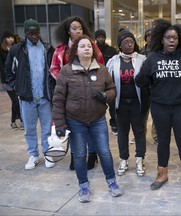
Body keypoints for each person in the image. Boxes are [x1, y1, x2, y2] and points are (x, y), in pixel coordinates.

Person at [52, 35, 123, 203]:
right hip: (75, 121)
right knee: (79, 154)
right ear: (75, 50)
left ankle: (112, 182)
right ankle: (83, 185)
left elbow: (113, 89)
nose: (87, 49)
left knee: (104, 152)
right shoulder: (67, 71)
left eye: (89, 46)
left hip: (97, 119)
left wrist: (105, 95)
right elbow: (58, 99)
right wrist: (60, 123)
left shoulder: (102, 70)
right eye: (82, 46)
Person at [135, 19, 181, 196]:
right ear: (161, 39)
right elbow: (140, 82)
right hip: (160, 108)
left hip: (180, 108)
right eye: (168, 37)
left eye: (175, 38)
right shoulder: (153, 58)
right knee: (162, 142)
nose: (172, 41)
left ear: (180, 40)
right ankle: (162, 174)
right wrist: (144, 70)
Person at [50, 16, 104, 170]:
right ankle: (75, 156)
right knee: (74, 126)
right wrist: (65, 79)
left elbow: (100, 65)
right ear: (68, 31)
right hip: (69, 93)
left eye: (80, 28)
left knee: (91, 123)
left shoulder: (91, 45)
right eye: (74, 28)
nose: (78, 31)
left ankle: (92, 155)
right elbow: (53, 68)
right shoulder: (61, 50)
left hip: (89, 90)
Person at [5, 19, 55, 169]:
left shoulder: (47, 48)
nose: (34, 36)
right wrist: (17, 87)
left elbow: (53, 70)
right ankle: (33, 155)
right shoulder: (17, 50)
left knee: (47, 128)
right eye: (30, 33)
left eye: (36, 33)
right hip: (27, 97)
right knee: (30, 129)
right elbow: (9, 71)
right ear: (25, 34)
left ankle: (47, 153)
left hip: (45, 96)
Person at [106, 29, 149, 177]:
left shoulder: (142, 59)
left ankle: (139, 159)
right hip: (121, 104)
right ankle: (123, 159)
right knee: (122, 132)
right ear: (120, 45)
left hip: (138, 103)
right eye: (126, 42)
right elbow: (108, 82)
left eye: (131, 42)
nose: (129, 45)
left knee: (139, 131)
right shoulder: (113, 61)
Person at [95, 29, 118, 136]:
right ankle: (98, 125)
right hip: (96, 80)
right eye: (99, 37)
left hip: (109, 80)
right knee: (97, 105)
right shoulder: (93, 50)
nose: (101, 39)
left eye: (102, 37)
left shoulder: (112, 50)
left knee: (112, 105)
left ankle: (114, 124)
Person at [0, 30, 24, 130]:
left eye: (12, 37)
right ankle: (23, 121)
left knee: (15, 101)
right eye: (8, 37)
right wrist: (7, 76)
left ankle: (13, 122)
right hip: (6, 80)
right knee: (15, 100)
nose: (11, 39)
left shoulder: (15, 49)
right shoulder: (2, 50)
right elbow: (1, 66)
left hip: (17, 78)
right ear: (4, 39)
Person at [140, 28, 158, 145]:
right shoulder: (141, 52)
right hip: (143, 87)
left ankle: (156, 136)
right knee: (142, 114)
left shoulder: (159, 51)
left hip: (156, 87)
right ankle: (141, 135)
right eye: (148, 36)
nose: (150, 38)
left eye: (152, 36)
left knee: (156, 113)